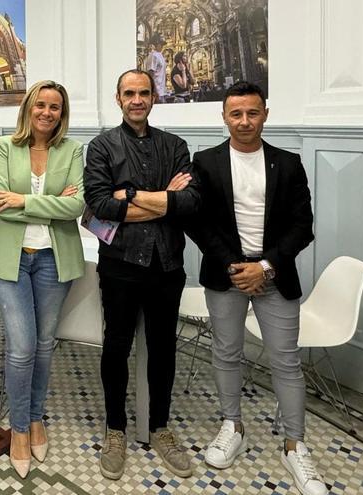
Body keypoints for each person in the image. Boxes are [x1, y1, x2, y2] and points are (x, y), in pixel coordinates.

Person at [188, 81, 325, 495]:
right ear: (224, 117)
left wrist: (264, 267)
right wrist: (235, 265)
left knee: (286, 361)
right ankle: (233, 426)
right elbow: (198, 223)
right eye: (236, 114)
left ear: (265, 113)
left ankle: (294, 446)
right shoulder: (206, 162)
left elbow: (304, 227)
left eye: (252, 113)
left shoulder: (287, 163)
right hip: (226, 274)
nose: (244, 121)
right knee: (226, 353)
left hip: (275, 275)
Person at [83, 69, 200, 479]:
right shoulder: (101, 147)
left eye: (144, 93)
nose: (137, 100)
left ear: (155, 97)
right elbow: (100, 205)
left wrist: (130, 193)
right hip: (120, 266)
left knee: (164, 349)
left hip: (167, 266)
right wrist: (164, 197)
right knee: (116, 348)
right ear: (118, 98)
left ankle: (160, 427)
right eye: (129, 93)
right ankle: (115, 428)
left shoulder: (175, 145)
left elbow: (189, 204)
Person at [0, 80, 85, 478]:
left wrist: (23, 201)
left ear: (62, 113)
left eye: (55, 107)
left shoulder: (72, 149)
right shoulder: (5, 147)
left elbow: (76, 206)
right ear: (28, 108)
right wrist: (53, 204)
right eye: (40, 105)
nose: (47, 112)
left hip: (54, 260)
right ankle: (21, 428)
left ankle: (37, 416)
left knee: (45, 345)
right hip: (11, 261)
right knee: (23, 346)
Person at [145, 38, 168, 103]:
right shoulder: (153, 55)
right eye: (161, 44)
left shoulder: (160, 55)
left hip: (162, 91)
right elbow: (150, 74)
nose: (162, 46)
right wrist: (154, 91)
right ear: (156, 44)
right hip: (156, 91)